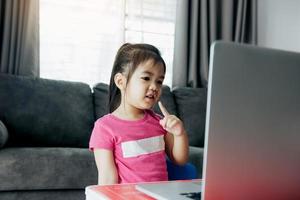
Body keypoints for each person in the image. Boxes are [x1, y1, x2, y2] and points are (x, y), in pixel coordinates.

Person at [89, 43, 189, 185]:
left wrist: (180, 134)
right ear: (121, 81)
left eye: (159, 81)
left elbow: (180, 159)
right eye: (146, 78)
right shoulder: (104, 128)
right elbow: (107, 180)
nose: (154, 87)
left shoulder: (159, 123)